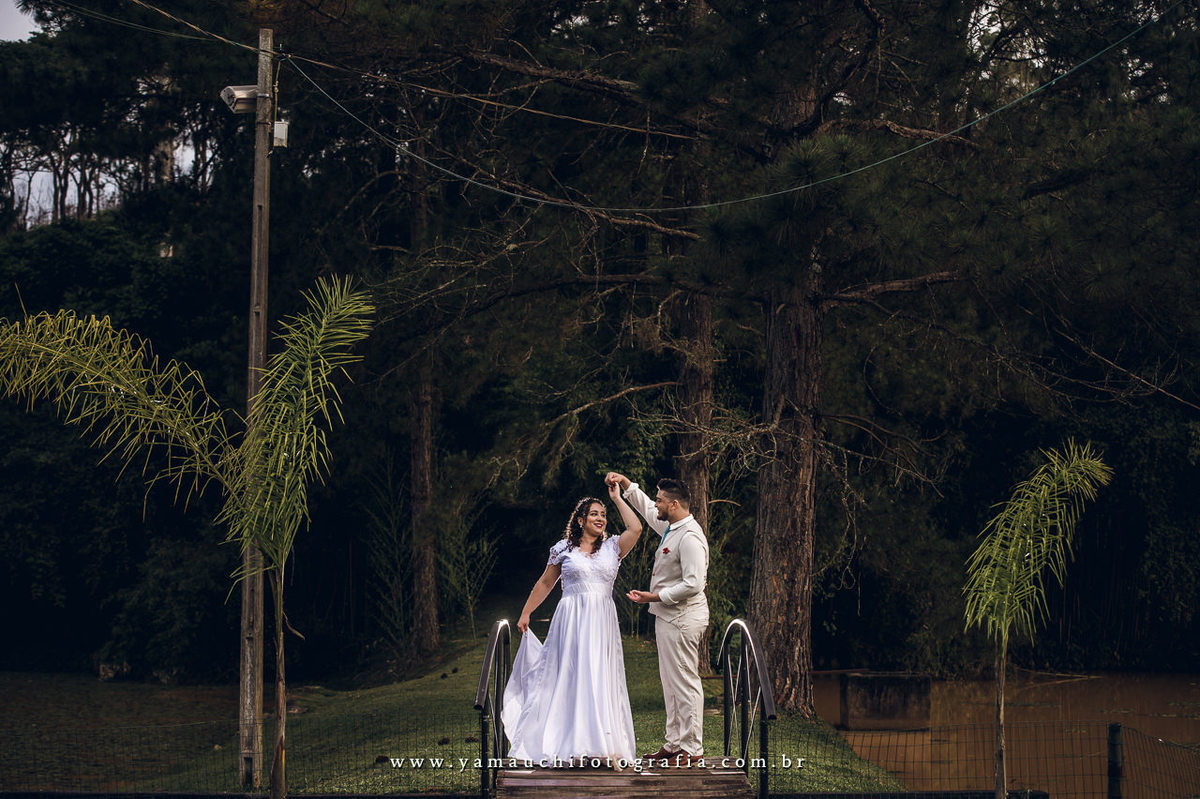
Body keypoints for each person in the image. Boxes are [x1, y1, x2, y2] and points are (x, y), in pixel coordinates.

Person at [501, 482, 644, 766]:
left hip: (601, 619)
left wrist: (617, 498)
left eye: (603, 514)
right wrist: (526, 612)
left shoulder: (614, 547)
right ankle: (569, 743)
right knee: (569, 674)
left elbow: (636, 528)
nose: (601, 518)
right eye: (594, 514)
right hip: (571, 618)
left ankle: (600, 745)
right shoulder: (562, 549)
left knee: (599, 676)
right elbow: (545, 582)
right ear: (580, 520)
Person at [606, 471, 709, 767]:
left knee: (685, 682)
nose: (656, 504)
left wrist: (655, 596)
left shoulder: (689, 537)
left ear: (674, 505)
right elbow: (648, 511)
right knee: (670, 683)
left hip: (683, 617)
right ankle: (674, 743)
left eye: (661, 500)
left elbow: (693, 583)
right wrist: (627, 485)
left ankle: (692, 748)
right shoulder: (671, 525)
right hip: (668, 618)